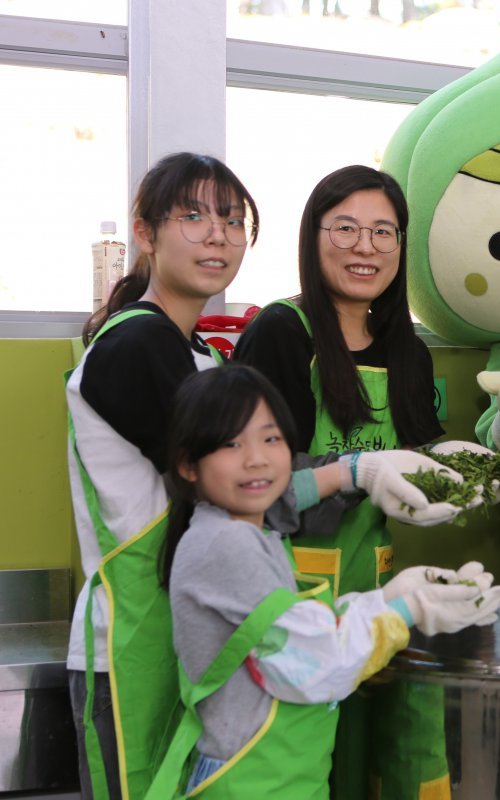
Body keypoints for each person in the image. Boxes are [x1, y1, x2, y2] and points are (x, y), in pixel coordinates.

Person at [67, 153, 454, 800]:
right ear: (144, 232)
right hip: (128, 644)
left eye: (231, 219)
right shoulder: (136, 346)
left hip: (192, 632)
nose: (217, 234)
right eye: (191, 216)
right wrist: (357, 471)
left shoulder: (199, 352)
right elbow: (241, 486)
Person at [235, 164, 494, 798]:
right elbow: (251, 489)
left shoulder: (405, 348)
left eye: (384, 232)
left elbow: (413, 455)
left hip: (378, 591)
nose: (365, 247)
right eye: (346, 228)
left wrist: (462, 468)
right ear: (312, 236)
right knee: (304, 764)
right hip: (284, 603)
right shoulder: (281, 333)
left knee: (392, 751)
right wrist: (356, 471)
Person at [149, 365, 500, 796]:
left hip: (274, 775)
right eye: (231, 443)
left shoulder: (248, 531)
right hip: (252, 782)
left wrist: (391, 596)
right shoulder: (229, 546)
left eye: (271, 438)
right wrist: (406, 609)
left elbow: (297, 627)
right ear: (188, 465)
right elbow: (317, 662)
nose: (257, 458)